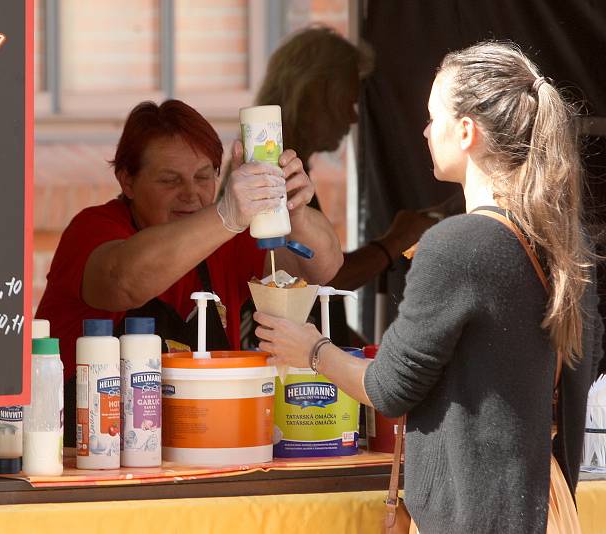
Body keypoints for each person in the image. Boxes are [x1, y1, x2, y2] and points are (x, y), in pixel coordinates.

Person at [254, 41, 604, 533]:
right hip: (549, 506)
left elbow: (388, 388)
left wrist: (312, 350)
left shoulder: (456, 244)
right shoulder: (567, 240)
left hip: (475, 513)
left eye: (432, 116)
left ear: (465, 131)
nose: (423, 130)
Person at [36, 99, 342, 445]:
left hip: (203, 447)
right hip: (92, 455)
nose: (191, 194)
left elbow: (321, 267)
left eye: (203, 176)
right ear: (127, 181)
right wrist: (225, 215)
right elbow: (124, 282)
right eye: (170, 180)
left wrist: (294, 210)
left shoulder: (225, 239)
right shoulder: (93, 229)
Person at [247, 26, 448, 347]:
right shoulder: (272, 170)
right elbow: (317, 279)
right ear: (313, 95)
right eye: (347, 101)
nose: (353, 118)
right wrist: (394, 242)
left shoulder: (293, 167)